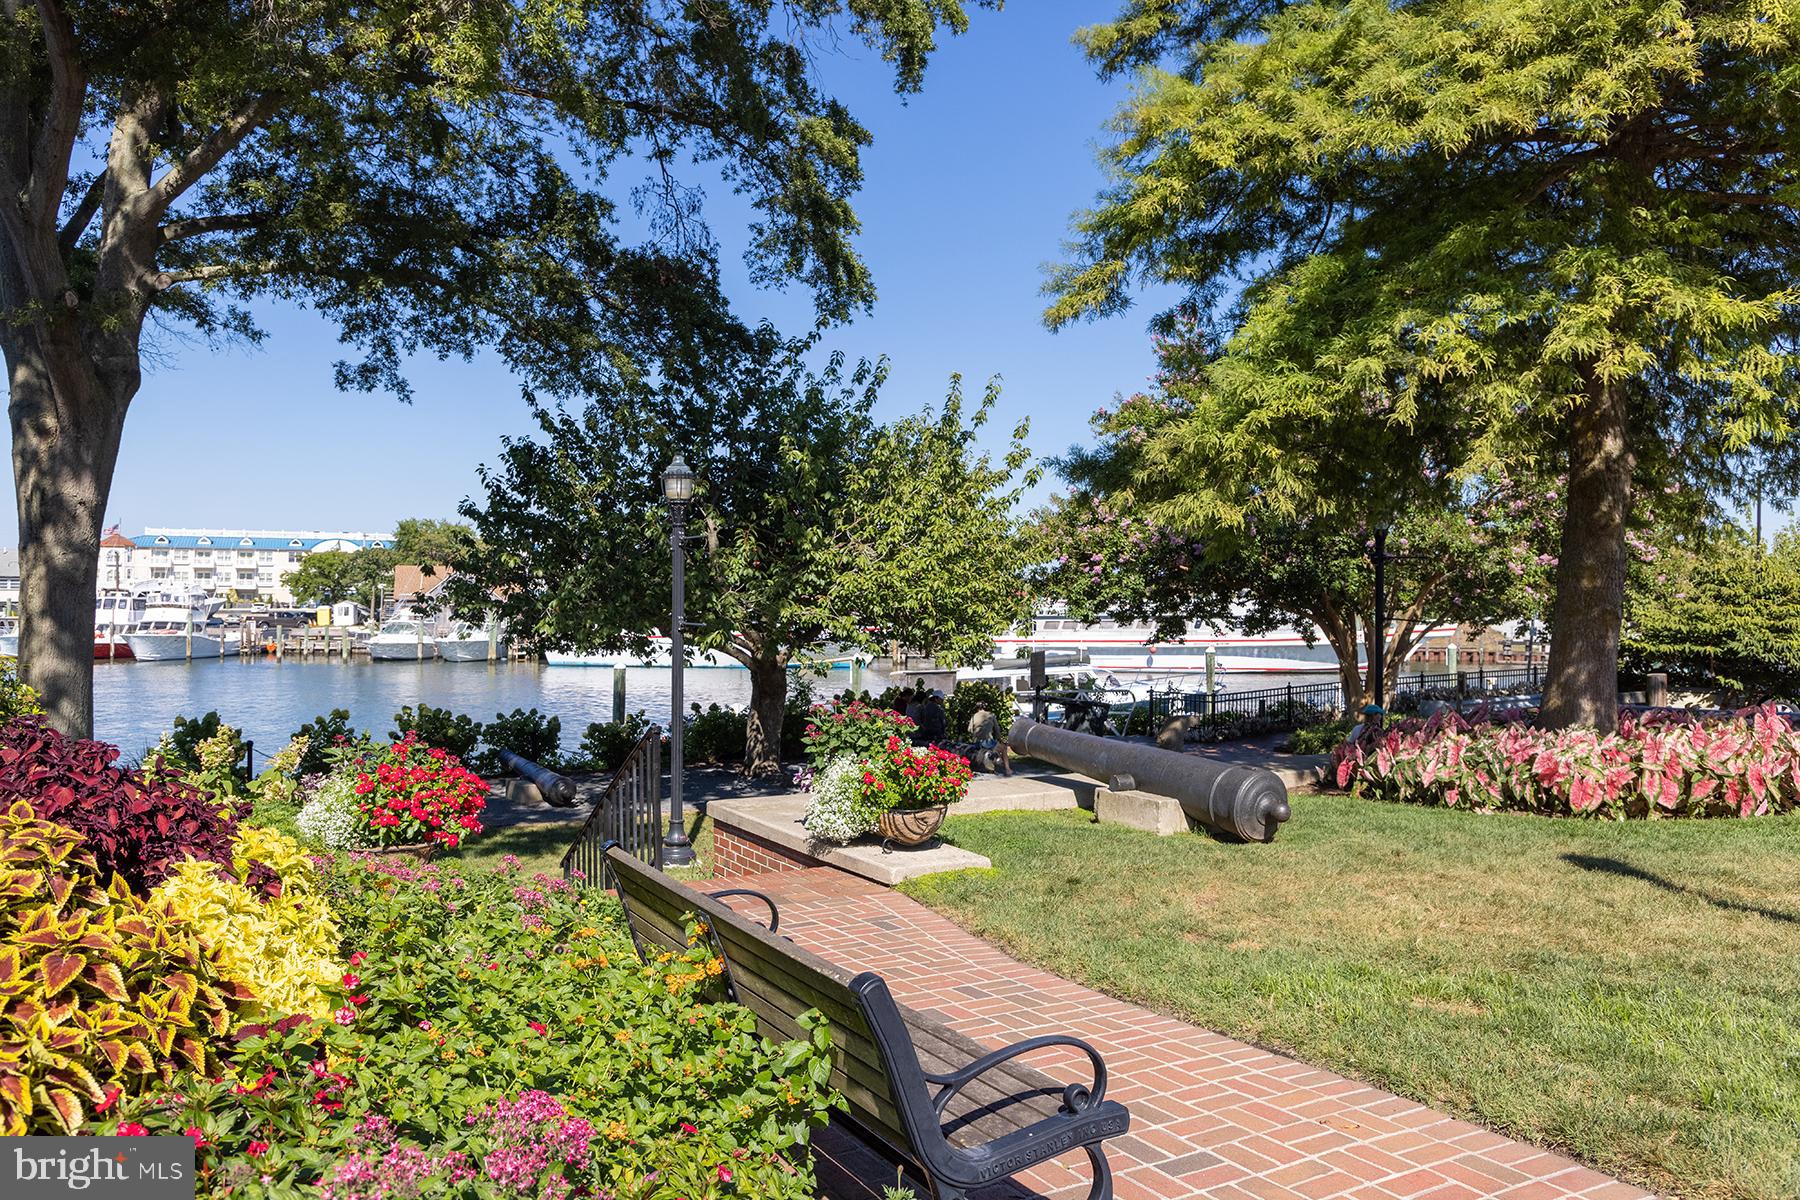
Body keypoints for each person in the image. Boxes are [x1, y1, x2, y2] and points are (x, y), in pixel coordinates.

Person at [967, 702, 1013, 775]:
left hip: (976, 742)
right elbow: (997, 729)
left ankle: (991, 766)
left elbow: (969, 730)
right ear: (985, 707)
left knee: (991, 749)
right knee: (1003, 748)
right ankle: (1008, 769)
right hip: (987, 741)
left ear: (977, 708)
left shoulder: (973, 716)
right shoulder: (991, 715)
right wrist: (999, 739)